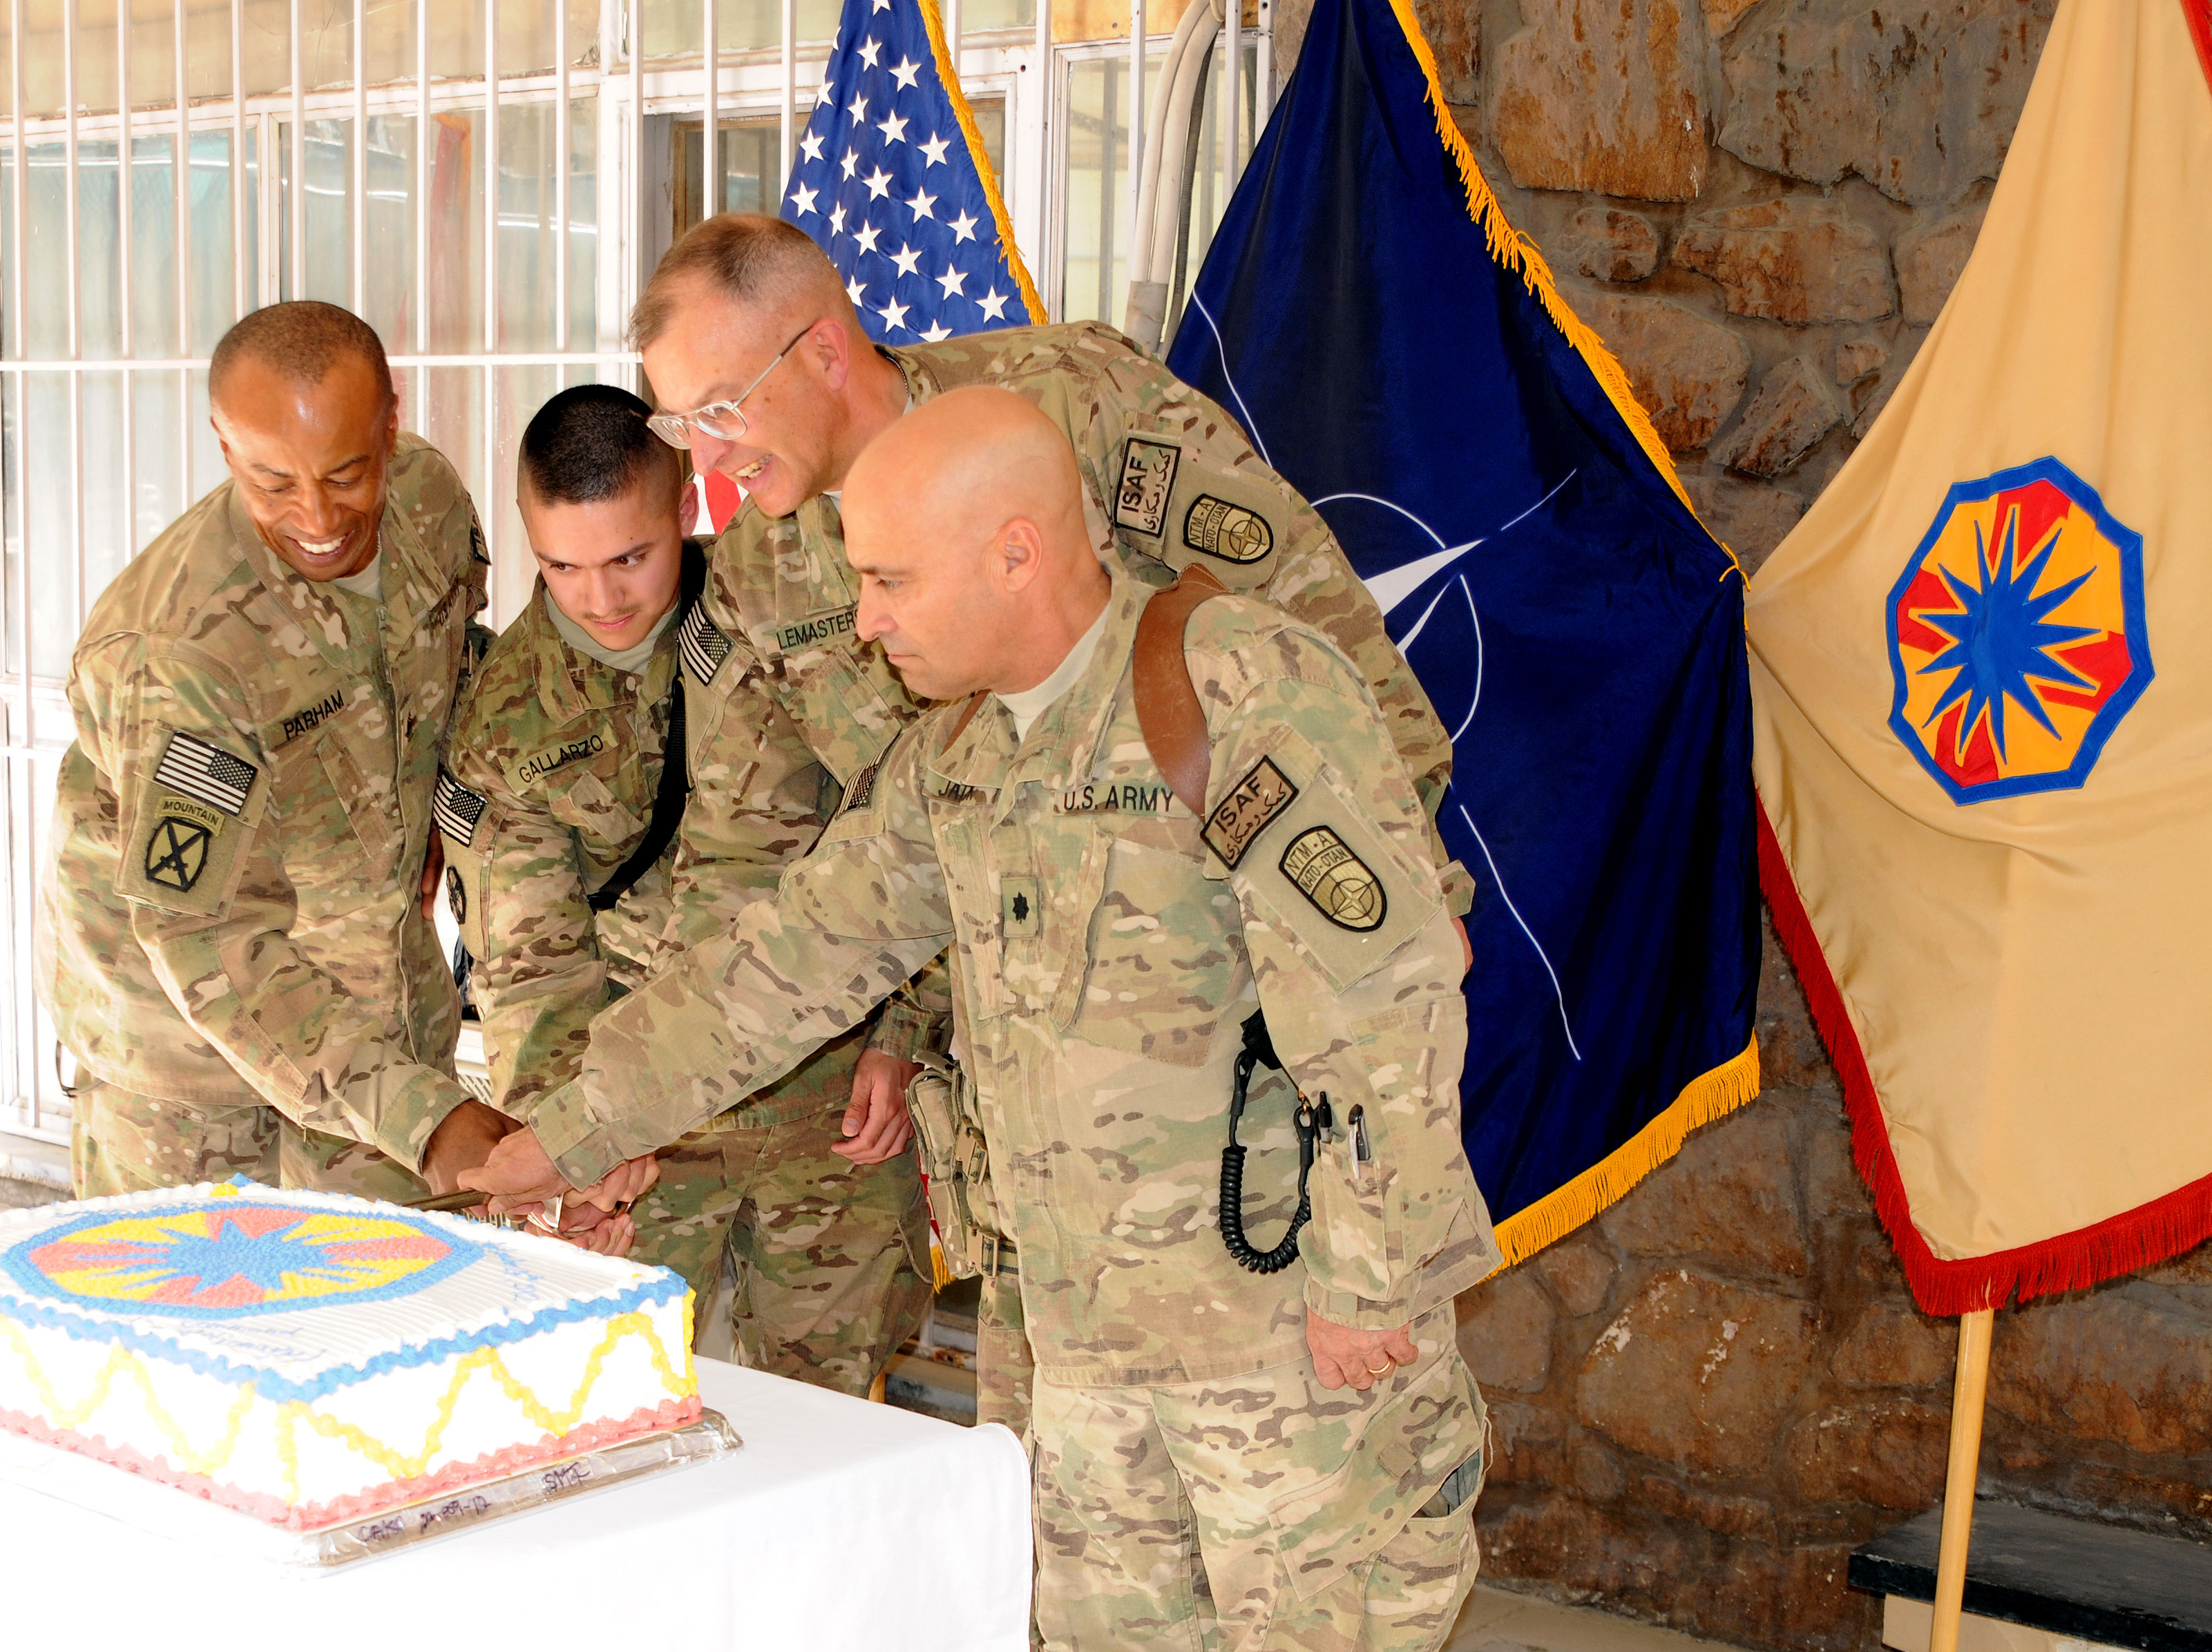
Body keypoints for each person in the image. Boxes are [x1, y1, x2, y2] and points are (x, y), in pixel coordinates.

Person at [473, 390, 1498, 1649]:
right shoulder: (958, 753)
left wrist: (1376, 1281)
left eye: (893, 581)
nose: (866, 620)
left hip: (1287, 1353)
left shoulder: (1231, 688)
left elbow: (1381, 1000)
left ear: (1014, 552)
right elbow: (786, 962)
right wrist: (569, 1131)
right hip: (1082, 1365)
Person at [625, 213, 1472, 1438]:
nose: (706, 461)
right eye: (679, 425)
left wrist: (1404, 906)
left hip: (1231, 1073)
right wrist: (882, 1031)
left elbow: (1317, 645)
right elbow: (838, 842)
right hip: (1034, 1098)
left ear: (818, 350)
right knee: (1062, 1512)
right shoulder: (764, 561)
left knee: (1295, 1490)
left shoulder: (1068, 406)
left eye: (719, 409)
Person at [439, 384, 931, 1392]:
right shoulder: (505, 716)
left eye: (630, 557)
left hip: (829, 1112)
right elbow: (531, 966)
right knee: (622, 1404)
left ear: (685, 509)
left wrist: (905, 1032)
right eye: (563, 566)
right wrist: (578, 1153)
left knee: (836, 1425)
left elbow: (910, 826)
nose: (602, 598)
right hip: (645, 1137)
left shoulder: (793, 620)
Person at [39, 299, 518, 1204]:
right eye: (274, 483)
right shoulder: (185, 650)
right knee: (203, 1327)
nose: (318, 516)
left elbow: (457, 661)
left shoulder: (427, 497)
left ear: (391, 421)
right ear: (225, 449)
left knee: (388, 1312)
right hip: (192, 1079)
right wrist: (420, 1119)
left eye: (346, 473)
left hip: (376, 1006)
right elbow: (201, 932)